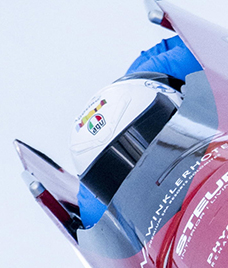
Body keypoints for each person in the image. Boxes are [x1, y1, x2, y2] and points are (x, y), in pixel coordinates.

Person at [69, 37, 201, 227]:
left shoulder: (179, 62)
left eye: (150, 136)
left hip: (161, 70)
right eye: (116, 169)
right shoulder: (95, 212)